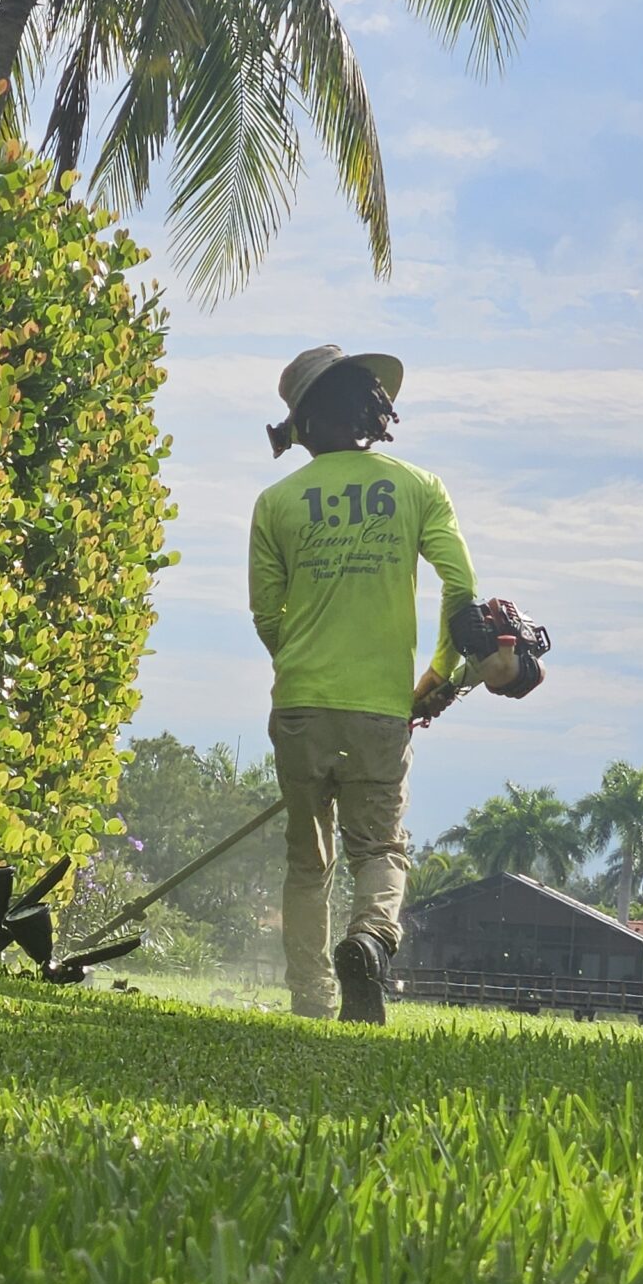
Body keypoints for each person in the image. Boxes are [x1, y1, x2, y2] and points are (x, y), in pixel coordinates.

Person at [249, 344, 478, 1025]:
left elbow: (268, 615)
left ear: (304, 424)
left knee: (307, 861)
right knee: (379, 849)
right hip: (380, 709)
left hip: (299, 705)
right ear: (373, 411)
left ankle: (314, 1003)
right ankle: (371, 942)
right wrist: (439, 675)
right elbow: (461, 592)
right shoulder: (419, 487)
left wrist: (301, 668)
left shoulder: (276, 500)